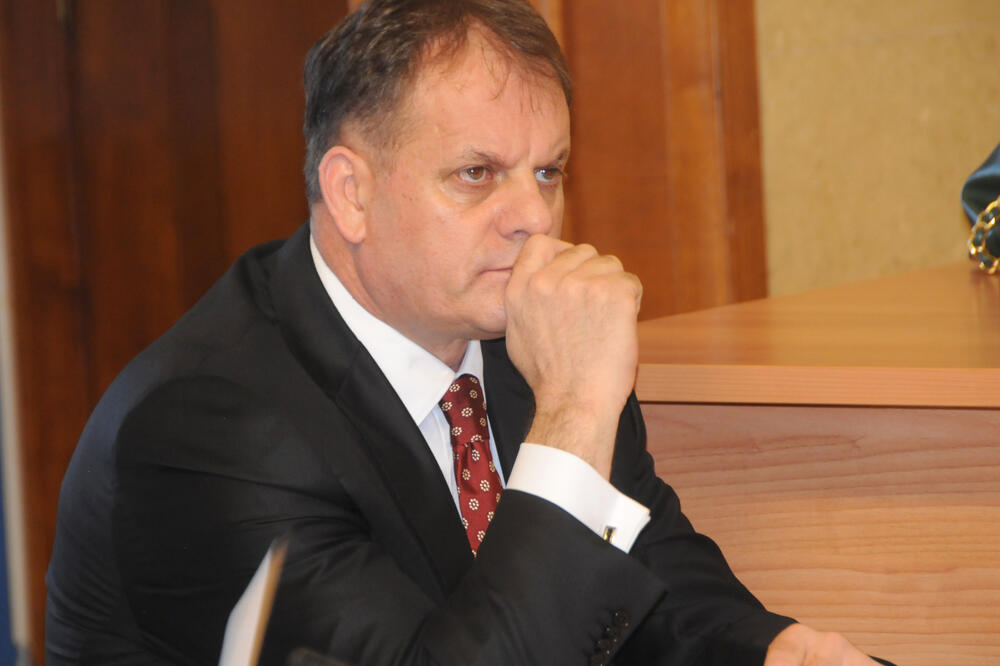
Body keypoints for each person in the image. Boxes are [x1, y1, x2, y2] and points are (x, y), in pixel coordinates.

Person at [45, 1, 892, 664]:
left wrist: (773, 651)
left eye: (548, 170)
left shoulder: (521, 341)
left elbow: (650, 585)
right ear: (351, 194)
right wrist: (572, 416)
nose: (536, 218)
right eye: (476, 174)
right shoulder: (205, 431)